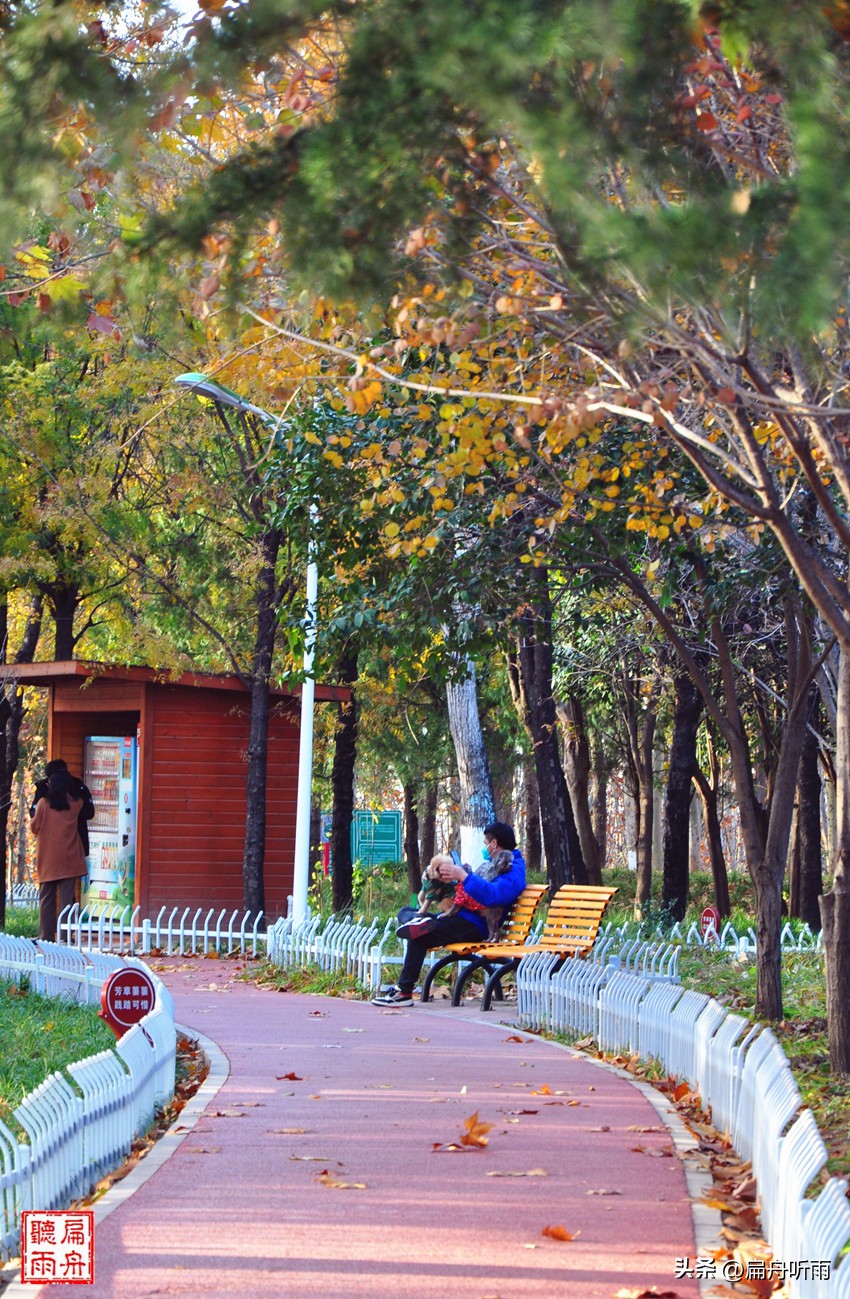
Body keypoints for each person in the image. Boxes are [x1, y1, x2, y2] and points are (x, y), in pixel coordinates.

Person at [372, 821, 526, 1007]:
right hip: (458, 916)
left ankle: (403, 991)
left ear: (494, 844)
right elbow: (470, 890)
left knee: (419, 932)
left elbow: (494, 896)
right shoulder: (493, 863)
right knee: (406, 912)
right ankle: (416, 922)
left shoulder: (512, 868)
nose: (484, 848)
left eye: (485, 843)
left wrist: (463, 876)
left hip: (473, 925)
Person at [30, 766, 89, 942]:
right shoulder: (76, 804)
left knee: (46, 900)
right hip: (70, 857)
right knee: (66, 901)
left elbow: (34, 827)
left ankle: (46, 937)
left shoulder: (43, 804)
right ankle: (64, 936)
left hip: (48, 858)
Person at [30, 758, 95, 855]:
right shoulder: (42, 789)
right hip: (58, 847)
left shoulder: (78, 788)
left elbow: (89, 812)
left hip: (70, 845)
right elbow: (33, 813)